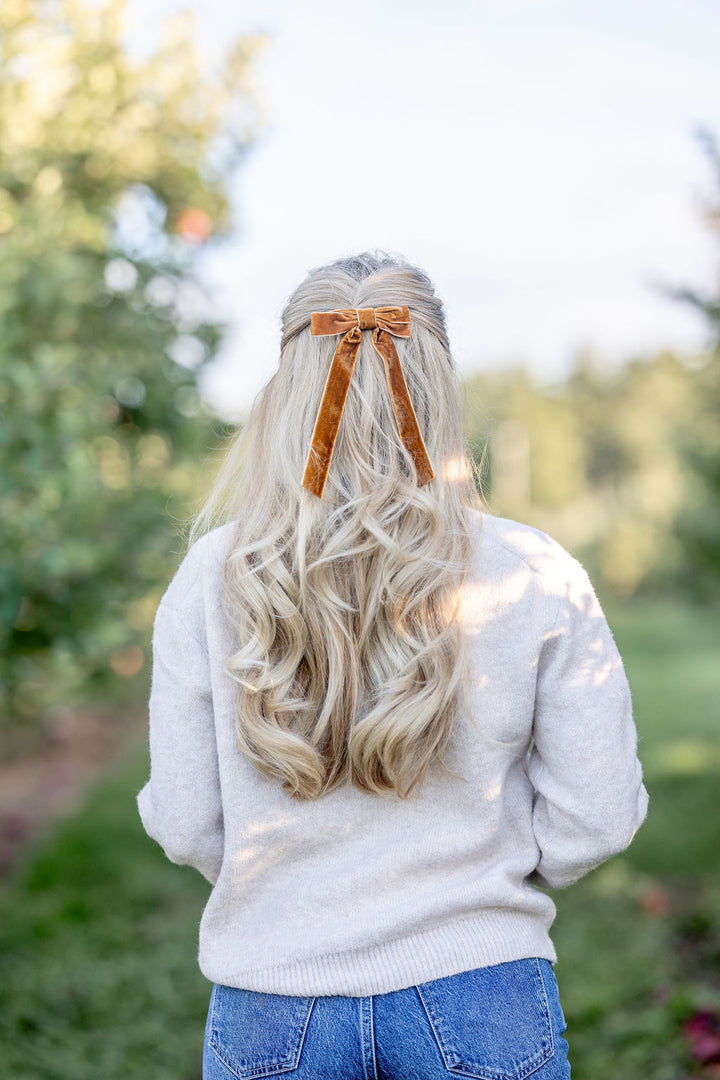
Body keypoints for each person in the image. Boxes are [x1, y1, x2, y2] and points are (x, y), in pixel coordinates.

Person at [136, 250, 649, 1079]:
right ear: (440, 389)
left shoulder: (214, 576)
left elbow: (190, 820)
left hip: (273, 1000)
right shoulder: (533, 570)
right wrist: (480, 877)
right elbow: (599, 815)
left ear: (285, 396)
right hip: (482, 994)